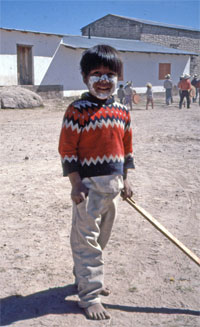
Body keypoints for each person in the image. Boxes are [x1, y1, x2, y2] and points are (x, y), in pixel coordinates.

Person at [58, 44, 135, 320]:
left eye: (110, 74)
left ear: (119, 77)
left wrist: (125, 180)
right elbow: (67, 151)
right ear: (84, 77)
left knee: (100, 240)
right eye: (96, 73)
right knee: (86, 242)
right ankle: (89, 295)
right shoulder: (77, 110)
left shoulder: (122, 111)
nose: (104, 79)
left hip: (112, 190)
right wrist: (75, 184)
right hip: (88, 192)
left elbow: (126, 148)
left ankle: (86, 278)